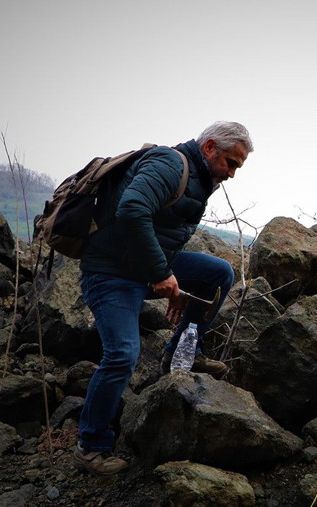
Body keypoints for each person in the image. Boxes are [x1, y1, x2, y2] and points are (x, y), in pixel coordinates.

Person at [73, 121, 253, 474]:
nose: (232, 174)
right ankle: (91, 446)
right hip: (110, 273)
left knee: (219, 274)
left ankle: (182, 351)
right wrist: (160, 274)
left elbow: (167, 230)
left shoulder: (203, 179)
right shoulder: (169, 164)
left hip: (145, 266)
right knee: (122, 354)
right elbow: (132, 210)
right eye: (231, 163)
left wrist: (171, 279)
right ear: (209, 147)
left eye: (237, 167)